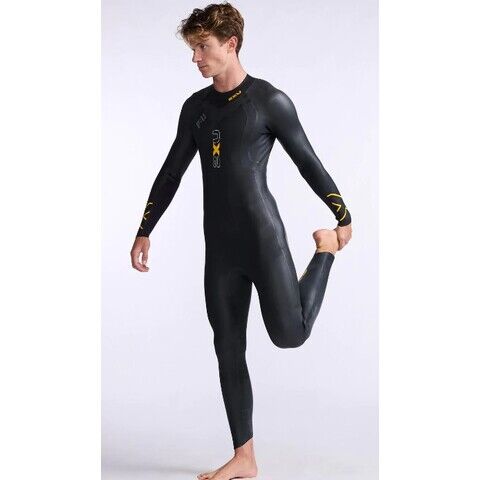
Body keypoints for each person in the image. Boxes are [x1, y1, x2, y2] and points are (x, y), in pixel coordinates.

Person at [130, 3, 353, 479]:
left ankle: (325, 250)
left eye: (203, 47)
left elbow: (307, 161)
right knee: (228, 347)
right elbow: (171, 172)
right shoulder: (196, 109)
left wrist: (341, 215)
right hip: (220, 249)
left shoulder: (269, 101)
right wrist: (145, 229)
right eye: (193, 49)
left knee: (289, 335)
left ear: (230, 44)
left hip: (261, 238)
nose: (195, 58)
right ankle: (244, 456)